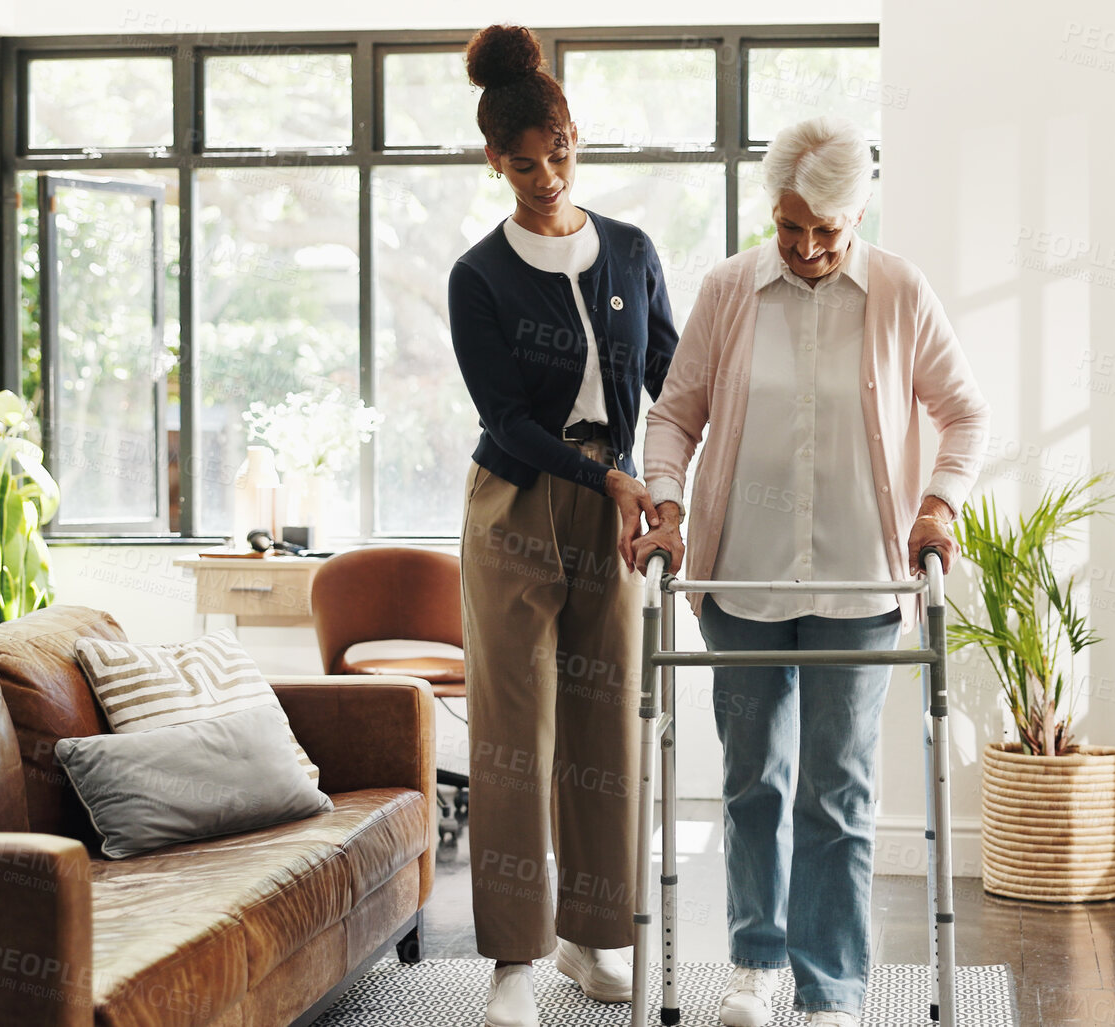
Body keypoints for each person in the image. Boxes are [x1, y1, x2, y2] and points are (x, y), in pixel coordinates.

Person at [633, 115, 989, 1027]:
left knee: (837, 789)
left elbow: (964, 412)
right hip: (741, 578)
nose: (806, 248)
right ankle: (754, 962)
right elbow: (673, 416)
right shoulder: (729, 290)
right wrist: (667, 505)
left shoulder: (899, 290)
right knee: (753, 780)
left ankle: (829, 987)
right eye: (790, 227)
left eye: (825, 231)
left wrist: (937, 505)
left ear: (858, 214)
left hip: (860, 581)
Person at [447, 23, 679, 1027]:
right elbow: (506, 418)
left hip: (614, 509)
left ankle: (592, 937)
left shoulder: (630, 250)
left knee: (605, 723)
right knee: (513, 735)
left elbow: (673, 382)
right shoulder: (478, 275)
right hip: (514, 503)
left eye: (560, 154)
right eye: (525, 164)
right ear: (494, 161)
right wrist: (609, 479)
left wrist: (663, 487)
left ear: (575, 136)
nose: (547, 178)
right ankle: (512, 960)